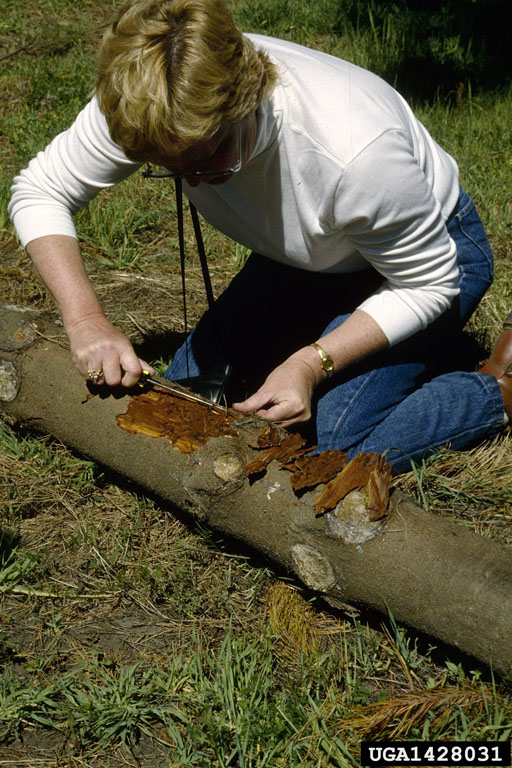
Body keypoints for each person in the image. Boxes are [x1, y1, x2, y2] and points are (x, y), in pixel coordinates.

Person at [8, 0, 511, 474]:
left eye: (209, 160)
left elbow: (428, 283)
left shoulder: (354, 150)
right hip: (308, 257)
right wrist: (86, 321)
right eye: (169, 168)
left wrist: (312, 364)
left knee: (334, 440)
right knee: (191, 402)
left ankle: (496, 388)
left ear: (248, 100)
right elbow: (41, 190)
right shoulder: (149, 97)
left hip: (428, 260)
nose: (195, 180)